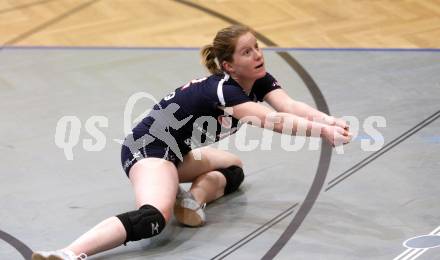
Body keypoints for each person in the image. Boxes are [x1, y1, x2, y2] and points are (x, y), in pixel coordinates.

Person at [32, 25, 352, 260]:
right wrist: (322, 133)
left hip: (177, 152)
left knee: (233, 169)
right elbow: (272, 120)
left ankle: (193, 199)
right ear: (228, 65)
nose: (257, 54)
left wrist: (328, 120)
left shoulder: (258, 79)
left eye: (256, 46)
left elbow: (290, 107)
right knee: (154, 217)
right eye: (246, 51)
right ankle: (70, 253)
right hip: (149, 150)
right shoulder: (223, 89)